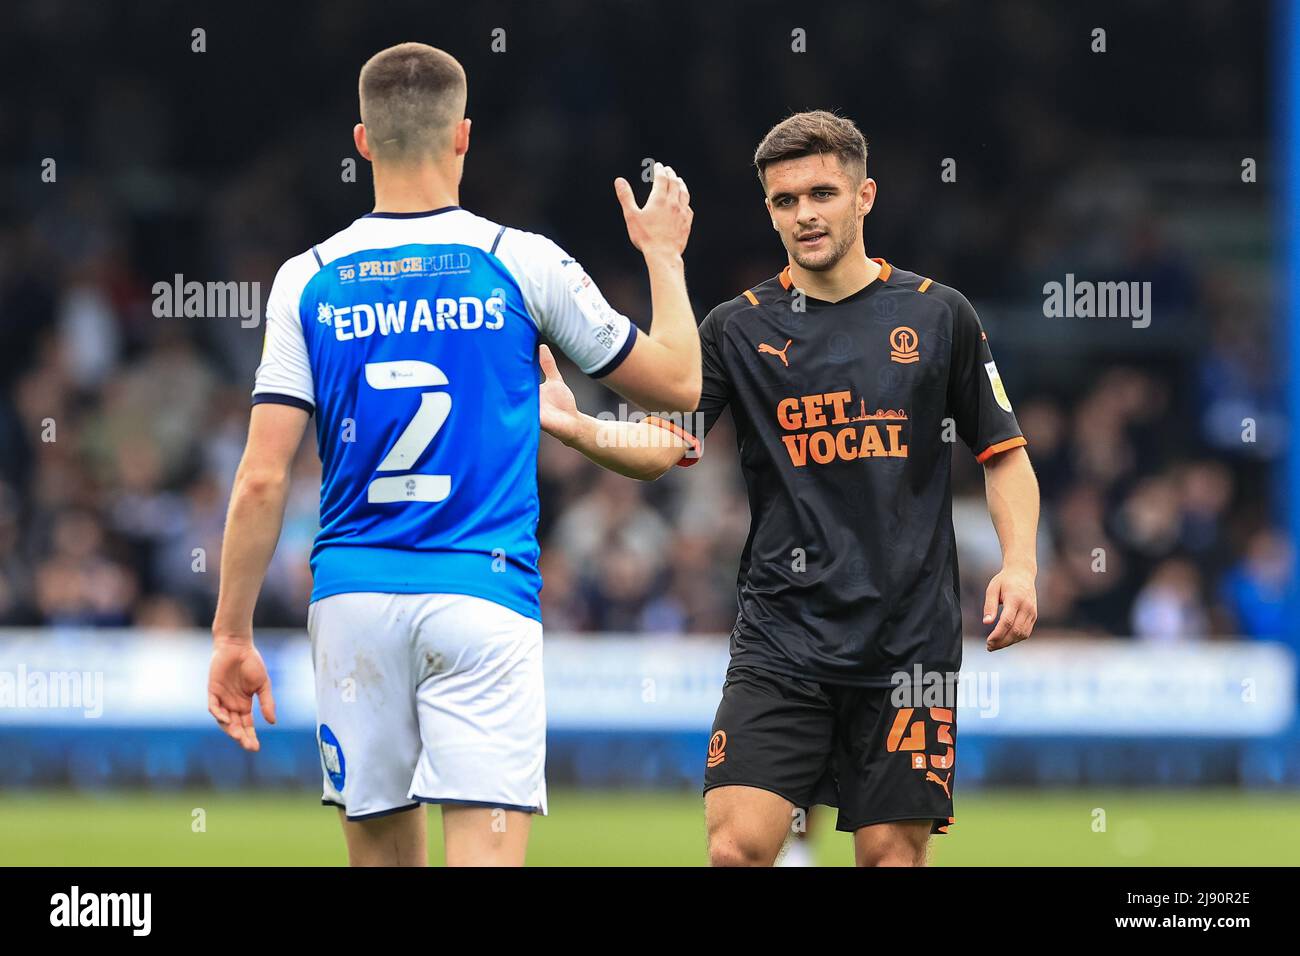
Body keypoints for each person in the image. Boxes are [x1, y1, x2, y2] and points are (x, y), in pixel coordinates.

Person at [207, 42, 699, 866]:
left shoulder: (308, 279)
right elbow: (678, 386)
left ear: (361, 142)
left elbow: (262, 477)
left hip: (354, 600)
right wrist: (664, 255)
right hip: (483, 596)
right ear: (464, 136)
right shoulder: (519, 261)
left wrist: (231, 633)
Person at [539, 110, 1039, 866]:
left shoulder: (940, 316)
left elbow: (1003, 452)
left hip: (909, 645)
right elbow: (666, 447)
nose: (804, 214)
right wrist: (581, 429)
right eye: (783, 200)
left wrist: (1022, 562)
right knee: (736, 848)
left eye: (822, 192)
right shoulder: (736, 329)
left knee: (889, 859)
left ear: (864, 196)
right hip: (782, 636)